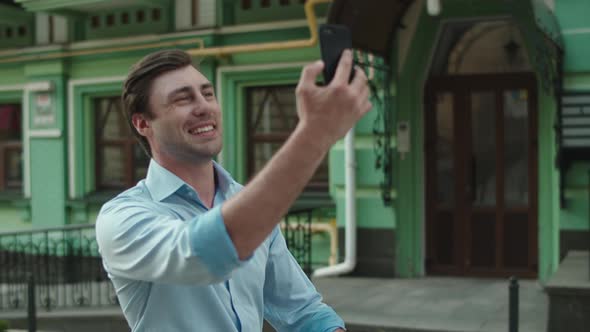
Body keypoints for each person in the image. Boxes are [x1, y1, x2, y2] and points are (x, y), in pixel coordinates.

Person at [95, 48, 371, 332]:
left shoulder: (247, 204)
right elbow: (205, 253)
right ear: (143, 123)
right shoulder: (122, 218)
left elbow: (303, 313)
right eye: (182, 99)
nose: (204, 107)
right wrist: (315, 133)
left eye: (208, 93)